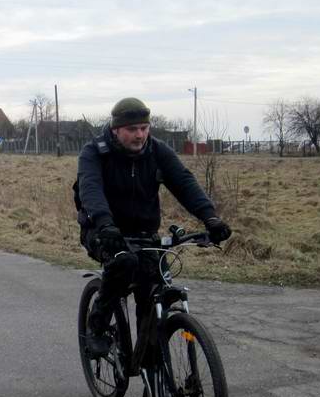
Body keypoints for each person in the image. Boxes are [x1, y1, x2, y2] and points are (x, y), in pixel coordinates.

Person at [76, 97, 231, 356]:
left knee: (156, 291)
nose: (140, 135)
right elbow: (90, 188)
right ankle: (97, 327)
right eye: (132, 129)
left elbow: (184, 183)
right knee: (124, 263)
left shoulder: (157, 151)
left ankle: (152, 366)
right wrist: (104, 223)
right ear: (116, 129)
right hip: (103, 229)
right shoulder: (95, 153)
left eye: (144, 128)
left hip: (145, 234)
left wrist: (210, 217)